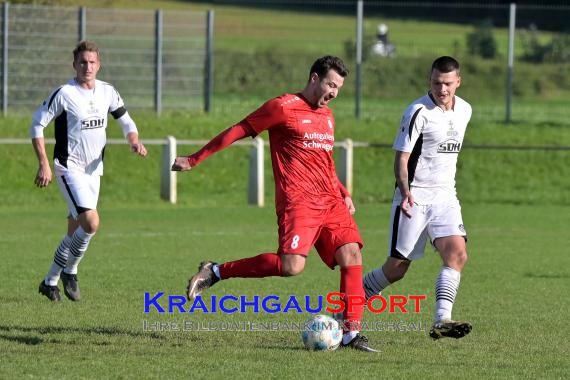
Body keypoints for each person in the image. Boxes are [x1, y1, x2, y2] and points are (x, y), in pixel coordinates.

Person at [171, 56, 377, 352]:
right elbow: (238, 129)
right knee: (291, 266)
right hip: (299, 203)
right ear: (314, 78)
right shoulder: (282, 107)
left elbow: (326, 161)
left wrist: (343, 191)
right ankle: (215, 272)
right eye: (331, 84)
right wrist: (194, 159)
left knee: (352, 256)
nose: (334, 92)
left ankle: (350, 334)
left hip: (331, 202)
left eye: (339, 87)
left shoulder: (328, 116)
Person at [363, 56, 472, 340]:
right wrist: (406, 190)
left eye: (448, 83)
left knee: (457, 254)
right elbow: (401, 158)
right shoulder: (417, 111)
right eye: (437, 82)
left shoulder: (465, 111)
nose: (442, 89)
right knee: (396, 270)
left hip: (446, 197)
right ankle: (346, 309)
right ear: (430, 81)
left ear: (458, 81)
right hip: (414, 198)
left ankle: (442, 320)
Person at [32, 40, 147, 302]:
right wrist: (44, 164)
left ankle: (50, 281)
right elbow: (36, 126)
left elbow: (126, 120)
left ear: (99, 65)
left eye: (92, 62)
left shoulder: (107, 92)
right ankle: (70, 271)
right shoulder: (64, 93)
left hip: (94, 171)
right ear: (74, 65)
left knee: (75, 231)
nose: (87, 66)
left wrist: (134, 141)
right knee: (92, 222)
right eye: (82, 62)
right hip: (68, 168)